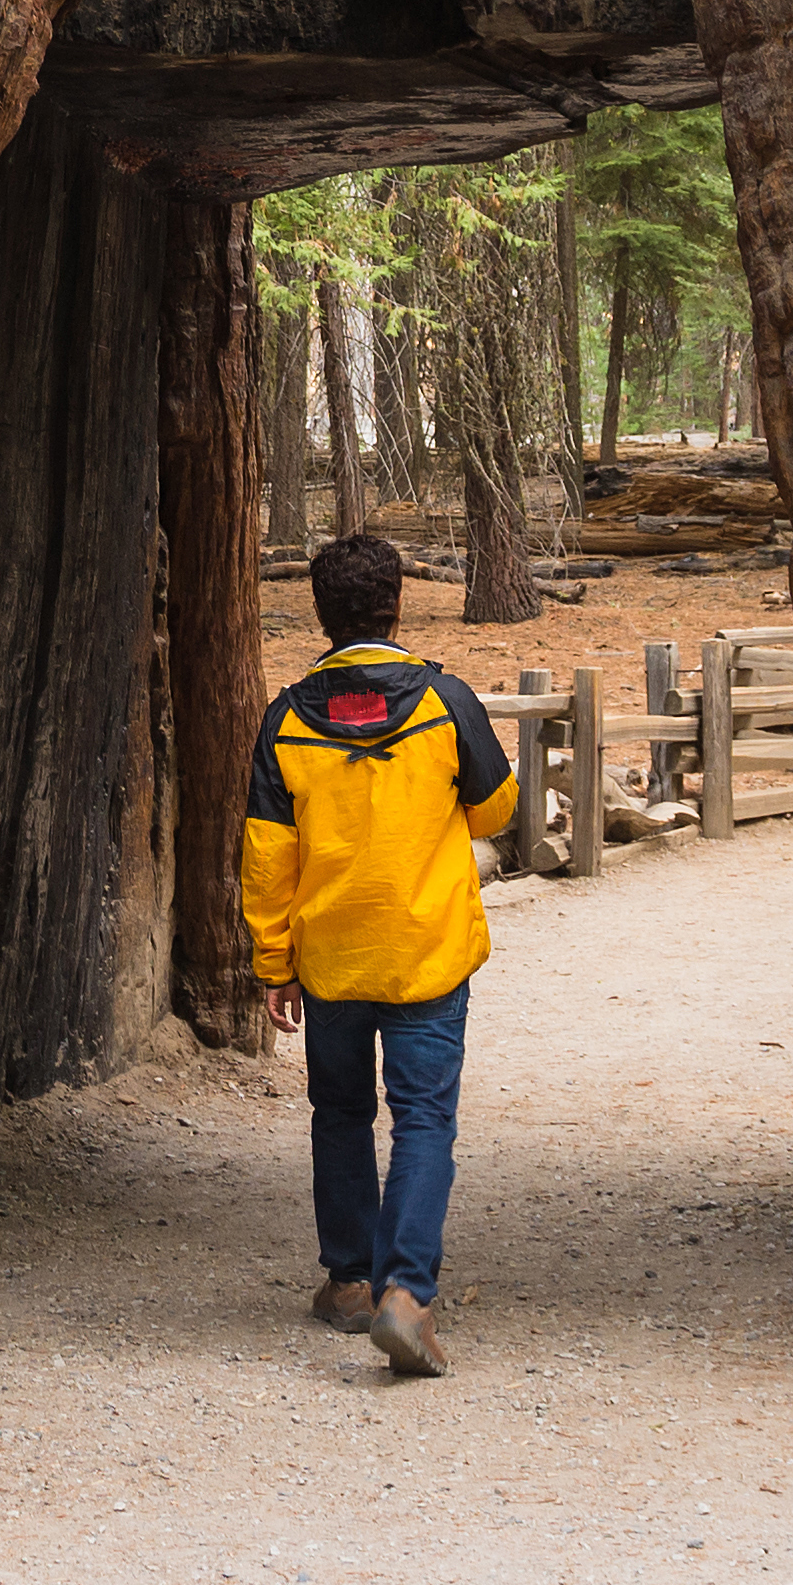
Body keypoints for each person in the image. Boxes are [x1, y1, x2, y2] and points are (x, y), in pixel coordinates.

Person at [242, 529, 509, 1378]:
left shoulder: (287, 718)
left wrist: (274, 962)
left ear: (321, 614)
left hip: (331, 960)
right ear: (398, 606)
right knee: (423, 1117)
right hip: (426, 949)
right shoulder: (444, 701)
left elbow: (266, 853)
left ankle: (351, 1282)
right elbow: (497, 808)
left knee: (341, 1112)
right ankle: (407, 1296)